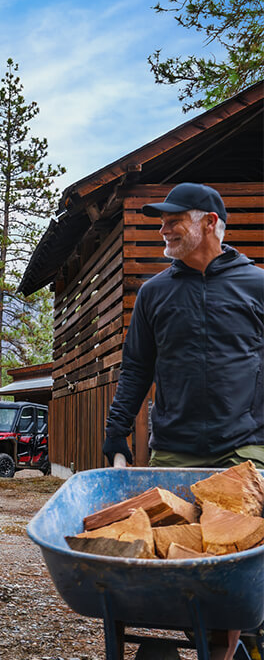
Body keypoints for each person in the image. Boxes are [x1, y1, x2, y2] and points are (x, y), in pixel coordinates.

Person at [103, 183, 264, 469]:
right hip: (173, 449)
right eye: (163, 223)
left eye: (174, 221)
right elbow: (137, 367)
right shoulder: (153, 292)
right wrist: (117, 431)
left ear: (209, 223)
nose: (163, 230)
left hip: (245, 448)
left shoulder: (257, 286)